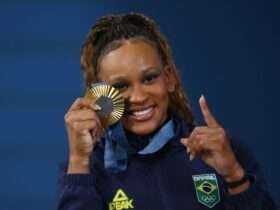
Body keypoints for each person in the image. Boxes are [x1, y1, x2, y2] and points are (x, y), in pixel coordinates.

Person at [57, 13, 276, 210]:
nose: (139, 97)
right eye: (121, 86)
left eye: (149, 78)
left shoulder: (222, 152)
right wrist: (79, 161)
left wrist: (234, 176)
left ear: (169, 78)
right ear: (102, 95)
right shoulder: (86, 168)